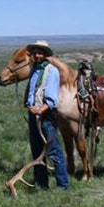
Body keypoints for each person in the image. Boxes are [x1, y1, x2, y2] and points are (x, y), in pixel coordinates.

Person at [24, 40, 70, 190]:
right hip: (34, 115)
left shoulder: (52, 71)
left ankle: (63, 185)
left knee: (53, 150)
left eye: (40, 52)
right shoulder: (35, 70)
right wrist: (30, 106)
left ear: (45, 55)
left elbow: (51, 97)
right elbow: (32, 92)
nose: (37, 55)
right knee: (37, 151)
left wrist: (41, 109)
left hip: (46, 116)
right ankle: (41, 184)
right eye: (36, 52)